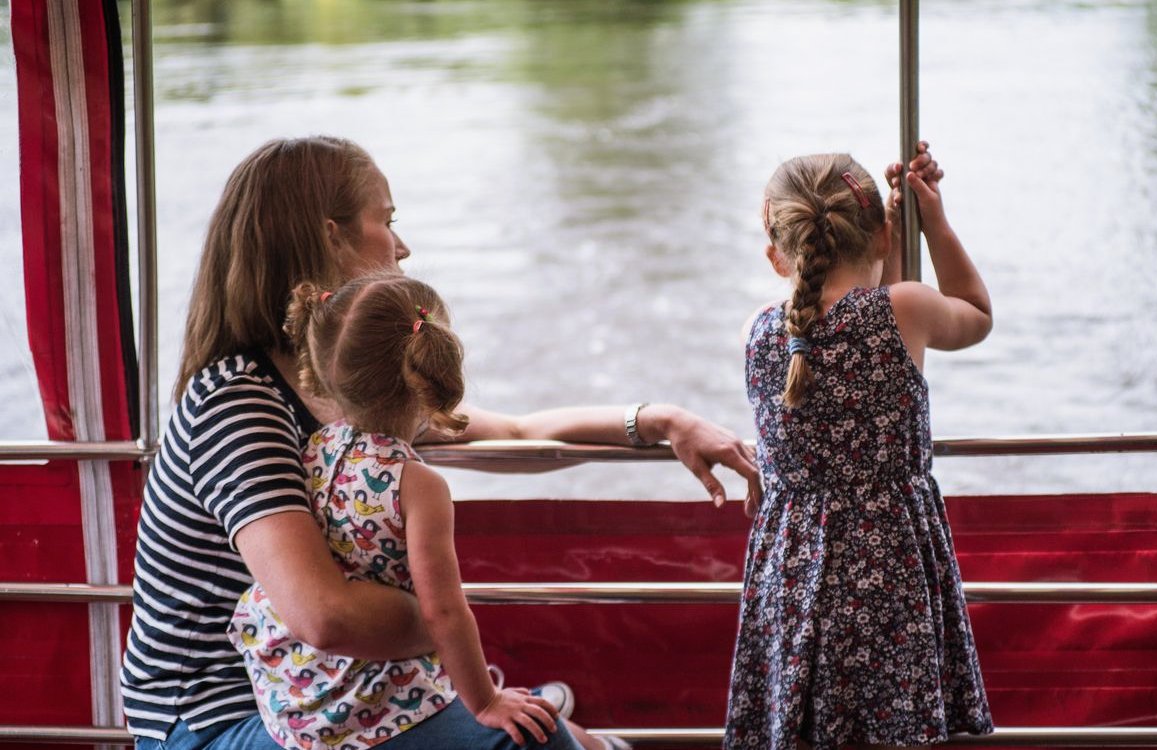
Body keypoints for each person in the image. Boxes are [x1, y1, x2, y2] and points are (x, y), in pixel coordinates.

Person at [120, 136, 756, 749]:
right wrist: (455, 628)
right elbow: (325, 616)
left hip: (332, 690)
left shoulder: (344, 388)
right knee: (531, 742)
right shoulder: (238, 403)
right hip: (218, 717)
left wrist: (659, 421)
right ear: (329, 233)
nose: (403, 245)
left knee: (549, 733)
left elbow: (517, 436)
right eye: (387, 220)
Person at [230, 272, 584, 750]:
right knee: (542, 734)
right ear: (429, 375)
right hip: (364, 703)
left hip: (295, 693)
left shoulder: (313, 445)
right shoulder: (418, 486)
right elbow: (443, 611)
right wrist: (486, 703)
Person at [723, 146, 994, 750]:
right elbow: (975, 314)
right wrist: (935, 224)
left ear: (777, 256)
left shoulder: (757, 333)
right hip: (889, 566)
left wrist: (890, 233)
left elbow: (868, 304)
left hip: (796, 567)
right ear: (878, 238)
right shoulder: (905, 311)